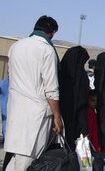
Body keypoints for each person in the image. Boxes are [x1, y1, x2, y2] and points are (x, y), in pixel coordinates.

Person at [5, 16, 62, 171]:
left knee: (17, 157)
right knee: (29, 160)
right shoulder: (46, 50)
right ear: (51, 33)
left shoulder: (15, 46)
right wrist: (57, 116)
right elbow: (51, 89)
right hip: (36, 114)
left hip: (16, 110)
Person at [59, 46, 90, 146]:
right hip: (75, 120)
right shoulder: (81, 76)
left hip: (58, 117)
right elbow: (82, 103)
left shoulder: (60, 72)